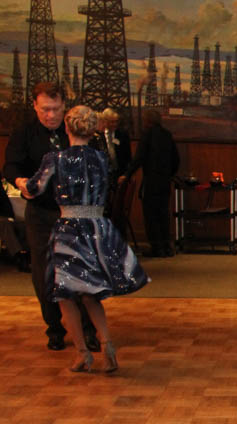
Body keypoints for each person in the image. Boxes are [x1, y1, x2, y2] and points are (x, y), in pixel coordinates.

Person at [24, 105, 149, 372]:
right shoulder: (101, 159)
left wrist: (23, 183)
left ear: (67, 128)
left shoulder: (55, 158)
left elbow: (35, 188)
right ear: (93, 130)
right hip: (96, 228)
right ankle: (107, 345)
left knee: (66, 295)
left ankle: (82, 353)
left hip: (69, 230)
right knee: (91, 294)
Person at [3, 82, 98, 351]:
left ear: (64, 107)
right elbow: (10, 165)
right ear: (35, 105)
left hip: (75, 214)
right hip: (41, 213)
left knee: (81, 271)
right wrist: (20, 181)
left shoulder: (74, 132)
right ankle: (54, 328)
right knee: (43, 272)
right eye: (45, 109)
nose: (50, 115)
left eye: (56, 109)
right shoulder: (25, 134)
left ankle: (88, 329)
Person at [121, 109, 180, 257]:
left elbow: (139, 158)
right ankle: (167, 245)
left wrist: (127, 175)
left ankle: (157, 247)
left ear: (147, 121)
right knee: (163, 213)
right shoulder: (167, 135)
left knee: (150, 214)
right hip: (165, 181)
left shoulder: (147, 136)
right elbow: (176, 159)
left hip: (151, 181)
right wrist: (169, 174)